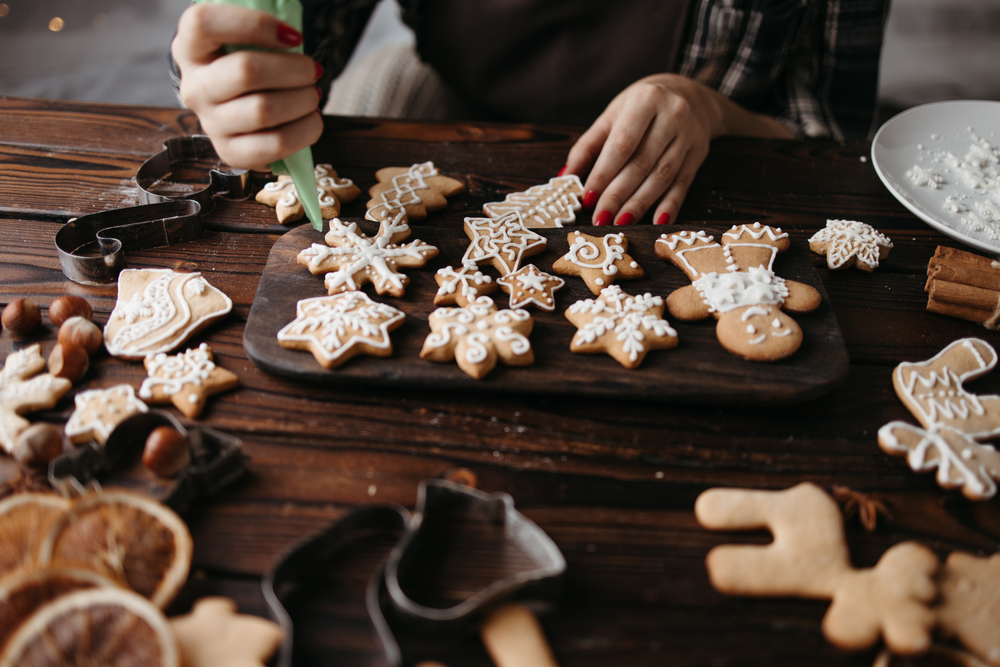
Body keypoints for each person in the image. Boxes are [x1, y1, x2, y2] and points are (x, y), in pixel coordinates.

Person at [170, 0, 888, 226]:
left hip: (723, 137)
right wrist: (233, 78)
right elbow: (294, 30)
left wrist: (705, 108)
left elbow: (828, 142)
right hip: (459, 93)